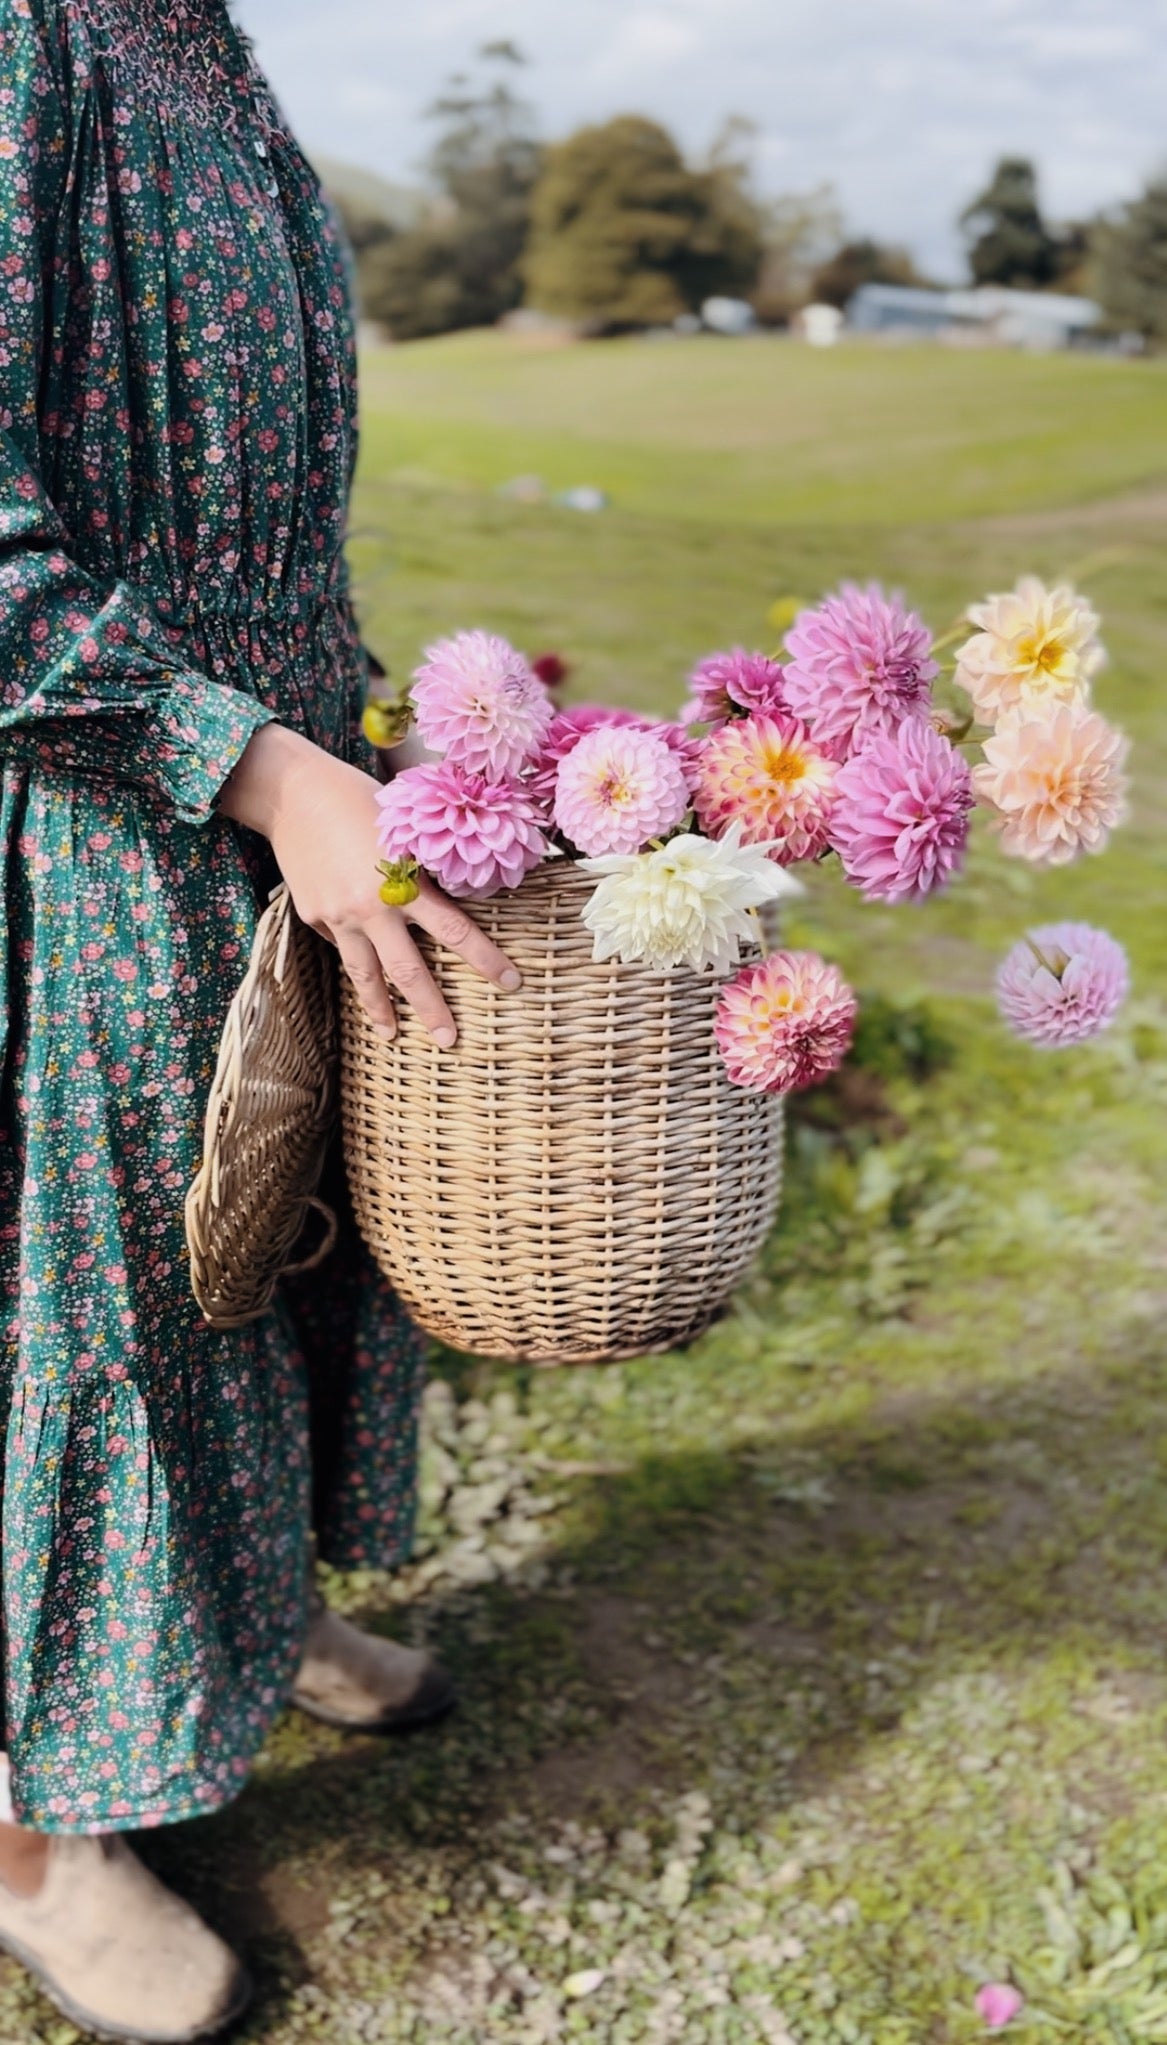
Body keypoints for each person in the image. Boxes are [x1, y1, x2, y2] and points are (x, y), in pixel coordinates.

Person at [0, 0, 521, 2036]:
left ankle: (230, 1620)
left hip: (274, 784)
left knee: (263, 1246)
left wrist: (373, 738)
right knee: (90, 1318)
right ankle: (35, 1839)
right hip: (83, 806)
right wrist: (253, 763)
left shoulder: (198, 40)